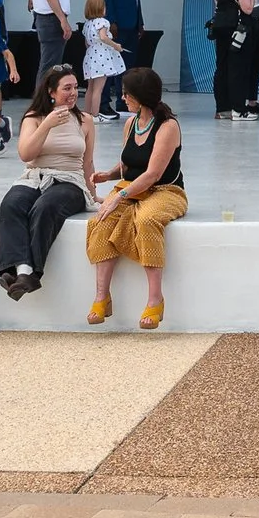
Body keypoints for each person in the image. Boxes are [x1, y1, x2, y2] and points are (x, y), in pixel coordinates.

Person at [86, 67, 186, 329]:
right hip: (131, 186)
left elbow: (153, 173)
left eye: (126, 94)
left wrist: (120, 196)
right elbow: (129, 164)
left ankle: (155, 300)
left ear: (141, 96)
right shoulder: (131, 124)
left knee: (146, 219)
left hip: (166, 191)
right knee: (102, 220)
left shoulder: (168, 126)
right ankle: (102, 297)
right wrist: (107, 175)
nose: (123, 99)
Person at [0, 62, 96, 300]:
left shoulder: (85, 120)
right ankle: (23, 271)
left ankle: (30, 272)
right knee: (12, 204)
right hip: (35, 176)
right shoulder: (34, 118)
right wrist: (48, 124)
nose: (72, 93)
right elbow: (26, 155)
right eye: (66, 88)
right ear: (51, 92)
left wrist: (92, 193)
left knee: (45, 207)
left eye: (75, 88)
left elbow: (88, 164)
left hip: (69, 181)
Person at [92, 0, 144, 116]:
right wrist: (109, 20)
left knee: (128, 65)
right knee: (108, 64)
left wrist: (140, 21)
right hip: (115, 23)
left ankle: (126, 101)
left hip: (131, 22)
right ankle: (104, 103)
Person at [209, 0, 256, 121]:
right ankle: (239, 108)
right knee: (238, 68)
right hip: (237, 28)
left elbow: (217, 2)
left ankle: (222, 108)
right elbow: (248, 9)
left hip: (220, 24)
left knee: (221, 67)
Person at [79, 0, 127, 123]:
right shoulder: (103, 22)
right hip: (101, 57)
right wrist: (115, 46)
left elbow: (87, 43)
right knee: (98, 89)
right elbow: (103, 37)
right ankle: (95, 115)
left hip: (90, 56)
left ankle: (87, 113)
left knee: (90, 88)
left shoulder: (87, 24)